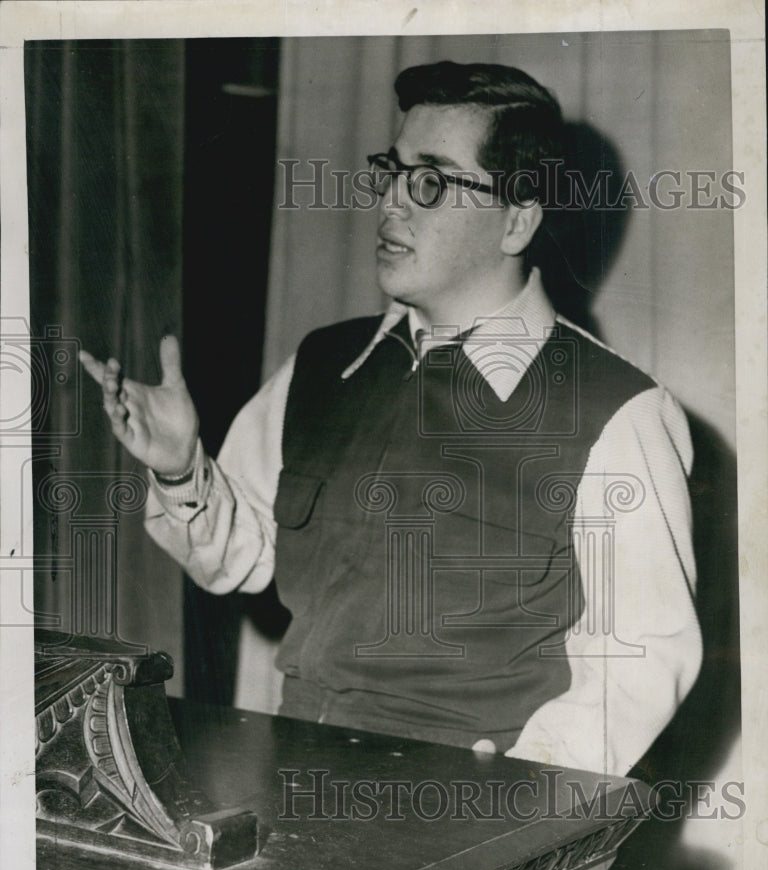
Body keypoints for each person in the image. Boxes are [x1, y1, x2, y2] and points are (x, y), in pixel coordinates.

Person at [80, 61, 701, 776]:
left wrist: (518, 796)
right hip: (293, 779)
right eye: (392, 170)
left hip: (464, 813)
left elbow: (643, 659)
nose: (391, 204)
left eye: (431, 181)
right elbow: (240, 558)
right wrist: (180, 466)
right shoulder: (323, 363)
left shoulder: (615, 409)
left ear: (518, 219)